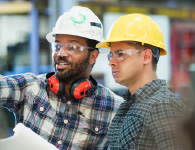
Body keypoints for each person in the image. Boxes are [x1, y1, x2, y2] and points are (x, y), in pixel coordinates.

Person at [0, 6, 123, 150]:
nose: (61, 53)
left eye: (72, 47)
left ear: (93, 56)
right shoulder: (31, 87)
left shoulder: (114, 109)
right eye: (57, 46)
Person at [96, 13, 190, 150]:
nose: (111, 62)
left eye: (120, 54)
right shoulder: (129, 105)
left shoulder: (163, 106)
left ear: (146, 57)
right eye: (111, 54)